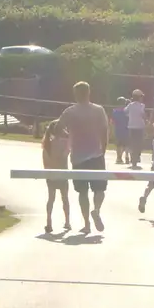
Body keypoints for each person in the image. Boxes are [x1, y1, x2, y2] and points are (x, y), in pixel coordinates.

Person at [56, 81, 111, 234]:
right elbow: (105, 131)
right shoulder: (98, 110)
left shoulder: (70, 112)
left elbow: (57, 128)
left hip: (78, 156)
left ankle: (87, 224)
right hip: (96, 154)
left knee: (82, 191)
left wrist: (68, 137)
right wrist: (103, 149)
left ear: (75, 94)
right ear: (89, 92)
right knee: (99, 189)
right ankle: (97, 210)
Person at [41, 118, 71, 233]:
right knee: (65, 198)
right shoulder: (64, 143)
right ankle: (67, 221)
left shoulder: (47, 144)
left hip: (51, 174)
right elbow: (65, 155)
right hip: (62, 174)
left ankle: (49, 222)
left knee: (51, 198)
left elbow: (45, 162)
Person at [126, 89, 148, 169]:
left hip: (131, 126)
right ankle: (137, 156)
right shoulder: (142, 105)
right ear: (139, 97)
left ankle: (133, 158)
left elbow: (125, 111)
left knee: (132, 143)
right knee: (139, 143)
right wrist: (146, 120)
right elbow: (143, 114)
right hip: (140, 126)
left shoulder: (130, 105)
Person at [111, 96, 130, 166]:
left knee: (119, 145)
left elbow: (113, 121)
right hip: (126, 129)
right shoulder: (127, 111)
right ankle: (127, 155)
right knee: (126, 144)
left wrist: (113, 129)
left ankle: (119, 157)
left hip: (118, 129)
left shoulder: (115, 111)